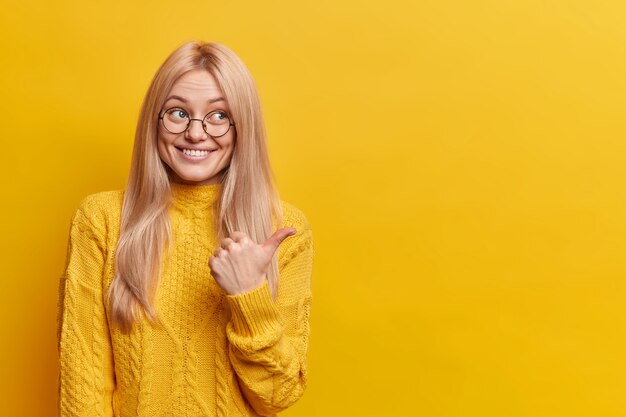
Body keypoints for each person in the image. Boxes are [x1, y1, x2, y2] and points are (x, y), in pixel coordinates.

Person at [56, 41, 314, 417]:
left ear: (244, 127)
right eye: (178, 113)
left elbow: (277, 395)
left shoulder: (284, 230)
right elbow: (84, 385)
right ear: (154, 121)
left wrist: (249, 296)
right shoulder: (101, 220)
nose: (196, 133)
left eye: (219, 116)